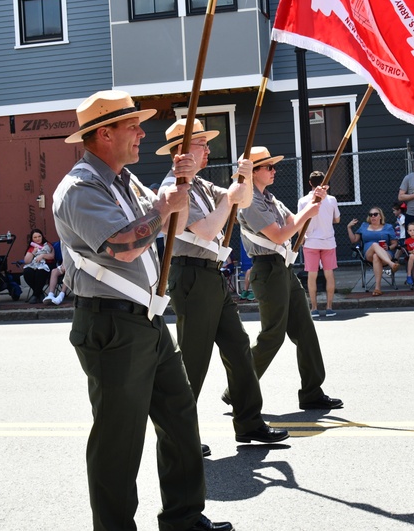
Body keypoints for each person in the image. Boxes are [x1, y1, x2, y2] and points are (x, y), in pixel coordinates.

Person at [51, 90, 231, 531]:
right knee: (119, 441)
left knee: (180, 416)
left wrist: (181, 182)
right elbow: (123, 245)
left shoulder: (125, 180)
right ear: (104, 133)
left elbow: (171, 215)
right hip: (110, 324)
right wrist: (164, 206)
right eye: (132, 125)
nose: (141, 132)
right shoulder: (79, 188)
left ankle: (183, 517)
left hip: (146, 320)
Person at [157, 119, 288, 452]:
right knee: (193, 360)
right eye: (202, 144)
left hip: (212, 274)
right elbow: (203, 229)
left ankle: (249, 423)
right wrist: (230, 198)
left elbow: (240, 201)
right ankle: (180, 435)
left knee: (239, 349)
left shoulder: (200, 184)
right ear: (182, 150)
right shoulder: (173, 187)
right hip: (190, 274)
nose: (208, 150)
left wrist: (243, 177)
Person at [238, 146, 343, 411]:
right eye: (268, 167)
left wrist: (313, 201)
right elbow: (280, 234)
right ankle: (238, 388)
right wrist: (308, 213)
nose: (274, 171)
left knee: (305, 330)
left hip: (282, 268)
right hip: (267, 269)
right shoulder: (249, 201)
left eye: (273, 166)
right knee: (272, 335)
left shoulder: (270, 198)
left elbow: (293, 220)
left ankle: (312, 391)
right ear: (254, 172)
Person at [298, 170, 341, 317]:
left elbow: (300, 222)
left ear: (310, 183)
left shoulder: (303, 201)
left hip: (311, 241)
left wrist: (301, 238)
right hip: (328, 240)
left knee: (312, 275)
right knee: (329, 274)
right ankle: (329, 307)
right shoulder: (332, 199)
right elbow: (337, 219)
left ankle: (314, 308)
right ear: (325, 182)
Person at [346, 206, 400, 297]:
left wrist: (389, 247)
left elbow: (394, 243)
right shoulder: (364, 226)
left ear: (380, 216)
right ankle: (391, 264)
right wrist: (349, 228)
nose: (373, 216)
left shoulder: (388, 227)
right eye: (371, 215)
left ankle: (377, 288)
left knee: (376, 256)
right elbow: (354, 240)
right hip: (368, 253)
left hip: (385, 253)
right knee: (374, 245)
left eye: (375, 214)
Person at [20, 229, 55, 302]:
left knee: (40, 272)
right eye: (35, 237)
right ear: (32, 239)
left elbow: (52, 256)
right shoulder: (32, 247)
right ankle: (39, 293)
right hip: (34, 265)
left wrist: (42, 255)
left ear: (42, 236)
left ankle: (35, 295)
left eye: (39, 236)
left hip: (47, 264)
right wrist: (33, 252)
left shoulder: (47, 245)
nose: (37, 239)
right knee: (27, 272)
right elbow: (27, 261)